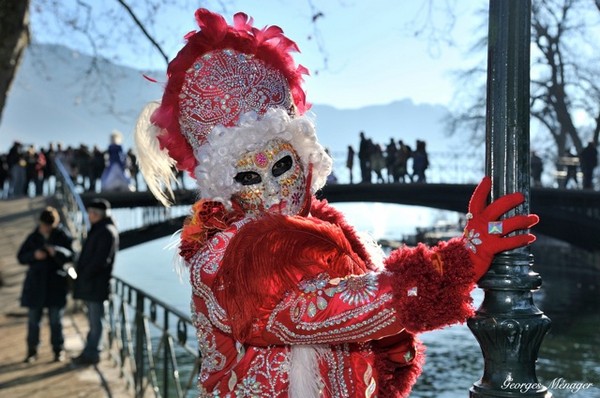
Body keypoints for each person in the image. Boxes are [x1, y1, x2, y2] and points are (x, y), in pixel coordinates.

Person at [134, 9, 539, 397]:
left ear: (305, 160)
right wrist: (456, 262)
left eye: (282, 165)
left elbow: (356, 333)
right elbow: (307, 312)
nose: (273, 191)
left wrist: (390, 349)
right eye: (248, 177)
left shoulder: (332, 240)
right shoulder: (223, 259)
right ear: (224, 186)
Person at [17, 206, 74, 363]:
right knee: (34, 321)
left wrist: (56, 251)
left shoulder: (62, 236)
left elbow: (72, 255)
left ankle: (58, 350)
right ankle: (32, 352)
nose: (46, 228)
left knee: (56, 321)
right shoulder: (33, 237)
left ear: (54, 224)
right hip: (36, 285)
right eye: (44, 225)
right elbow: (21, 257)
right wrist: (34, 255)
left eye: (49, 226)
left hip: (56, 285)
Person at [72, 198, 119, 366]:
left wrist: (84, 274)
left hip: (95, 283)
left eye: (91, 212)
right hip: (93, 283)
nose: (89, 215)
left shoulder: (105, 231)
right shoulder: (102, 229)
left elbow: (101, 260)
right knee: (94, 319)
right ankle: (90, 351)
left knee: (96, 320)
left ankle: (92, 353)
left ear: (97, 214)